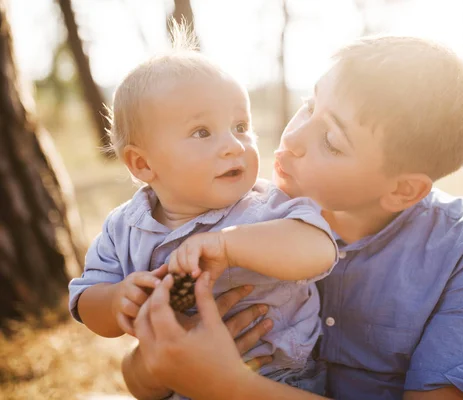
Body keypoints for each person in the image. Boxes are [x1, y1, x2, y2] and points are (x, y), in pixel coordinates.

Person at [123, 36, 463, 400]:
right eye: (309, 105)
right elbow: (140, 376)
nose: (292, 139)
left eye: (331, 141)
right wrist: (168, 358)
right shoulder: (236, 213)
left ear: (402, 190)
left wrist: (231, 386)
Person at [67, 22, 338, 397]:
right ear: (143, 165)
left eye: (241, 126)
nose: (233, 145)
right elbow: (85, 301)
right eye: (202, 132)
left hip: (280, 378)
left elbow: (319, 250)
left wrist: (229, 246)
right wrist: (116, 302)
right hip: (181, 384)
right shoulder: (122, 229)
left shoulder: (266, 206)